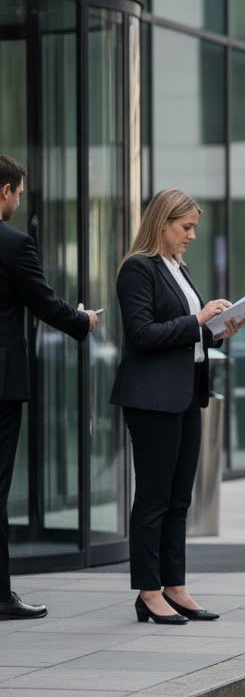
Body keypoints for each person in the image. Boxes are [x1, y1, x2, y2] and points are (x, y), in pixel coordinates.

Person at [110, 189, 245, 625]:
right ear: (162, 223)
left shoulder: (177, 268)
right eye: (185, 227)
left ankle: (175, 586)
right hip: (151, 399)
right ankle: (148, 592)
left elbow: (187, 335)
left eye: (193, 228)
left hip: (186, 394)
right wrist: (200, 319)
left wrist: (221, 330)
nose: (191, 236)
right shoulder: (138, 268)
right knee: (153, 497)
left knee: (178, 498)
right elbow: (143, 334)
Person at [0, 155, 101, 620]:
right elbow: (44, 302)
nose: (19, 201)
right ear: (5, 192)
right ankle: (1, 596)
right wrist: (84, 319)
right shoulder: (14, 244)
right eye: (18, 193)